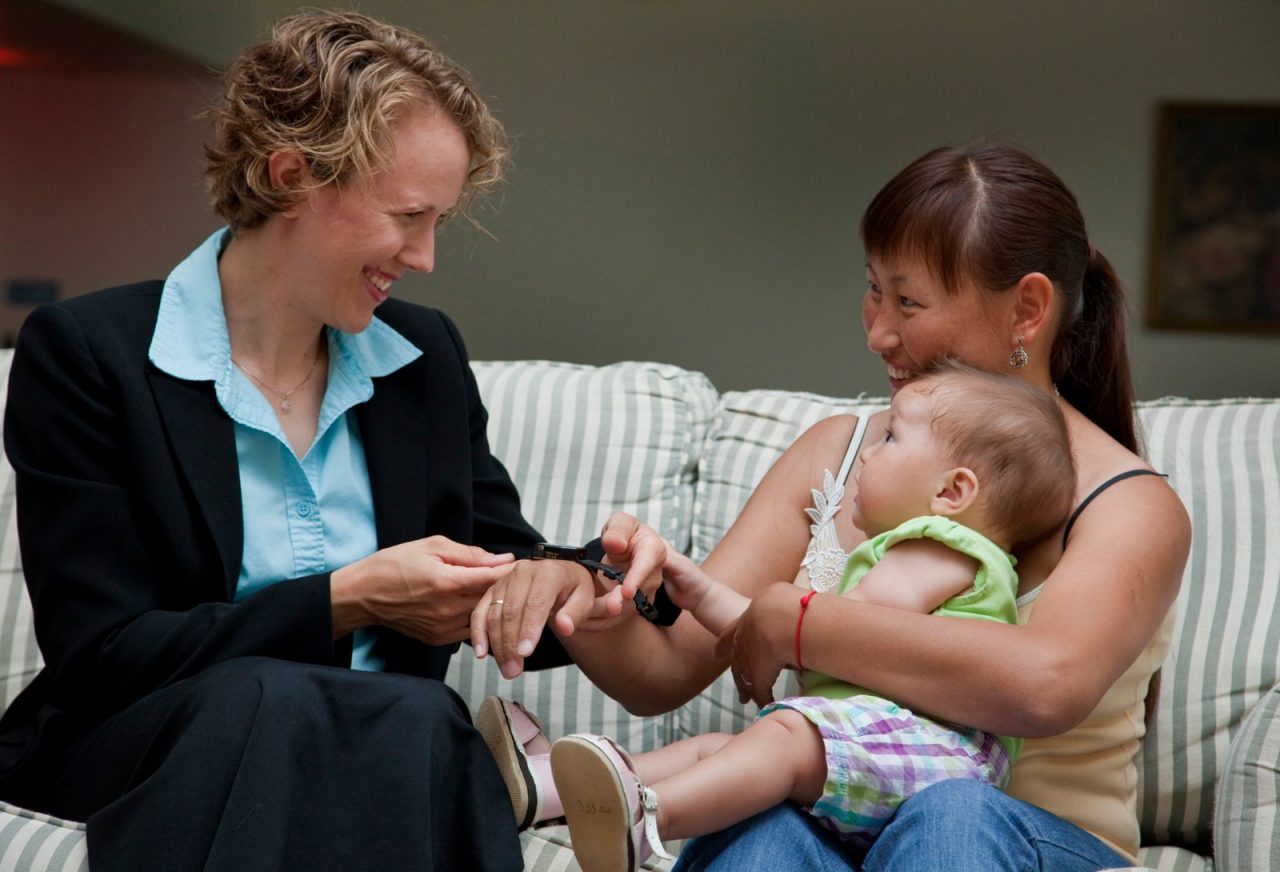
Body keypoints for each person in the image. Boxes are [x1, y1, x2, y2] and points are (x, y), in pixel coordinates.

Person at [0, 10, 664, 871]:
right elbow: (104, 657)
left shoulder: (423, 360)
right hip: (151, 742)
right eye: (408, 217)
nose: (425, 257)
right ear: (291, 177)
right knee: (281, 702)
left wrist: (566, 574)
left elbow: (501, 555)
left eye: (440, 223)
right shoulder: (90, 354)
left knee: (418, 720)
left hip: (382, 747)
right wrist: (345, 598)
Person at [474, 142, 1190, 871]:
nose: (877, 330)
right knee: (765, 820)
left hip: (1024, 841)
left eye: (908, 301)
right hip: (844, 815)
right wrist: (585, 593)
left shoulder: (1126, 502)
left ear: (1027, 309)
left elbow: (1045, 684)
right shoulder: (840, 453)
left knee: (951, 814)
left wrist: (797, 623)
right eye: (874, 290)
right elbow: (668, 670)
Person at [499, 364, 1076, 870]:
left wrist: (780, 620)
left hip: (933, 759)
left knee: (780, 735)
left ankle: (650, 821)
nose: (871, 451)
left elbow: (850, 624)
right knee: (721, 749)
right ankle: (553, 788)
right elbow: (782, 629)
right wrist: (695, 587)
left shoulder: (943, 546)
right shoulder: (897, 552)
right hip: (874, 747)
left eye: (893, 438)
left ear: (952, 492)